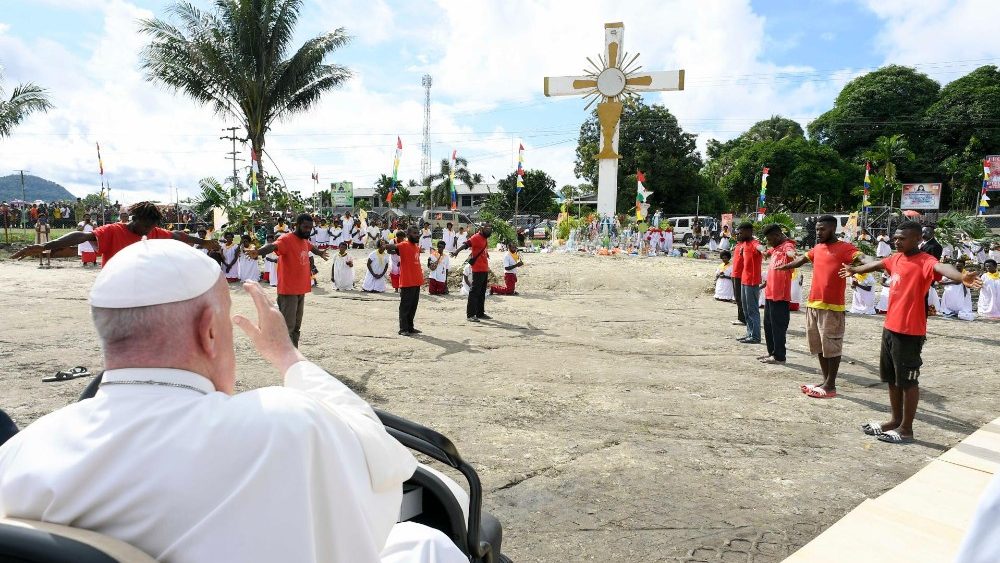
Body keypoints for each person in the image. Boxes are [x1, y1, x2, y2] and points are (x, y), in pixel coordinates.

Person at [0, 239, 465, 563]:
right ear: (208, 331)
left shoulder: (19, 453)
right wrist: (288, 358)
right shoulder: (283, 426)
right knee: (428, 543)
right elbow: (383, 460)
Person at [843, 221, 980, 444]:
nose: (897, 241)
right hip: (890, 328)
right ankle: (895, 420)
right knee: (891, 379)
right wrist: (855, 269)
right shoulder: (896, 258)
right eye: (895, 238)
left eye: (902, 238)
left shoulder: (926, 261)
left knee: (908, 382)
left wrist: (960, 276)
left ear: (917, 239)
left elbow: (942, 269)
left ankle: (906, 429)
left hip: (910, 332)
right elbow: (878, 264)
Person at [777, 215, 864, 399]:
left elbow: (860, 257)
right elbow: (802, 260)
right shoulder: (817, 248)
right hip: (813, 304)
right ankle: (825, 381)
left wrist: (862, 265)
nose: (818, 232)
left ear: (833, 229)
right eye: (817, 229)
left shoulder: (845, 248)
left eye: (822, 229)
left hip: (832, 307)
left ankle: (831, 385)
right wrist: (786, 267)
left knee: (832, 347)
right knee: (819, 347)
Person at [12, 201, 219, 266]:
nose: (147, 231)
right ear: (133, 219)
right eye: (144, 226)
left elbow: (179, 236)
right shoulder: (113, 230)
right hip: (116, 289)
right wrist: (44, 246)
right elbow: (82, 237)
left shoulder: (155, 232)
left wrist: (205, 242)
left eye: (151, 227)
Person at [255, 214, 329, 347]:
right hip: (289, 291)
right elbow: (273, 246)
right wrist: (258, 252)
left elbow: (311, 247)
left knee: (296, 326)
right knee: (287, 326)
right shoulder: (286, 239)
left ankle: (294, 352)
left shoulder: (304, 240)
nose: (308, 230)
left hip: (301, 289)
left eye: (310, 228)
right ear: (297, 225)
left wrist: (320, 253)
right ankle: (284, 355)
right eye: (305, 227)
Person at [759, 224, 796, 364]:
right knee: (768, 325)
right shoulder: (775, 248)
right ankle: (771, 353)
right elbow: (767, 252)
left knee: (778, 326)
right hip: (769, 293)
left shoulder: (787, 245)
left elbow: (791, 251)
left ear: (778, 235)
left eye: (770, 239)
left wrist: (792, 255)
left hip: (780, 296)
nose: (769, 242)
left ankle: (780, 356)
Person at [453, 223, 494, 322]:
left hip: (484, 268)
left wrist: (486, 255)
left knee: (482, 292)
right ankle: (471, 314)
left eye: (490, 228)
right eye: (487, 228)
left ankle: (480, 313)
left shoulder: (484, 238)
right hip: (478, 269)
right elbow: (466, 244)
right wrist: (457, 251)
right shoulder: (476, 237)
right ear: (481, 229)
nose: (489, 230)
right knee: (474, 292)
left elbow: (482, 250)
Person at [387, 225, 423, 336]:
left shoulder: (416, 246)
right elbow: (392, 247)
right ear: (408, 235)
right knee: (405, 307)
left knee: (413, 306)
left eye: (417, 233)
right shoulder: (404, 244)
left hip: (416, 281)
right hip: (407, 281)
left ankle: (410, 327)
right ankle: (403, 329)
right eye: (414, 233)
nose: (417, 235)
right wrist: (385, 245)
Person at [736, 222, 763, 344]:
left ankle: (756, 336)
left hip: (752, 281)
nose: (739, 235)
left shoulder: (754, 243)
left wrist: (765, 250)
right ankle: (749, 333)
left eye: (741, 233)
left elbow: (760, 248)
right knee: (746, 309)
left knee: (752, 310)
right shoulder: (744, 244)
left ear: (748, 232)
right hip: (744, 280)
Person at [730, 228, 747, 326]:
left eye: (739, 234)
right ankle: (741, 318)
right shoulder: (738, 245)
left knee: (740, 298)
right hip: (735, 274)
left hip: (741, 275)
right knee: (737, 297)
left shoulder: (745, 245)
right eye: (736, 234)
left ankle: (743, 319)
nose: (737, 236)